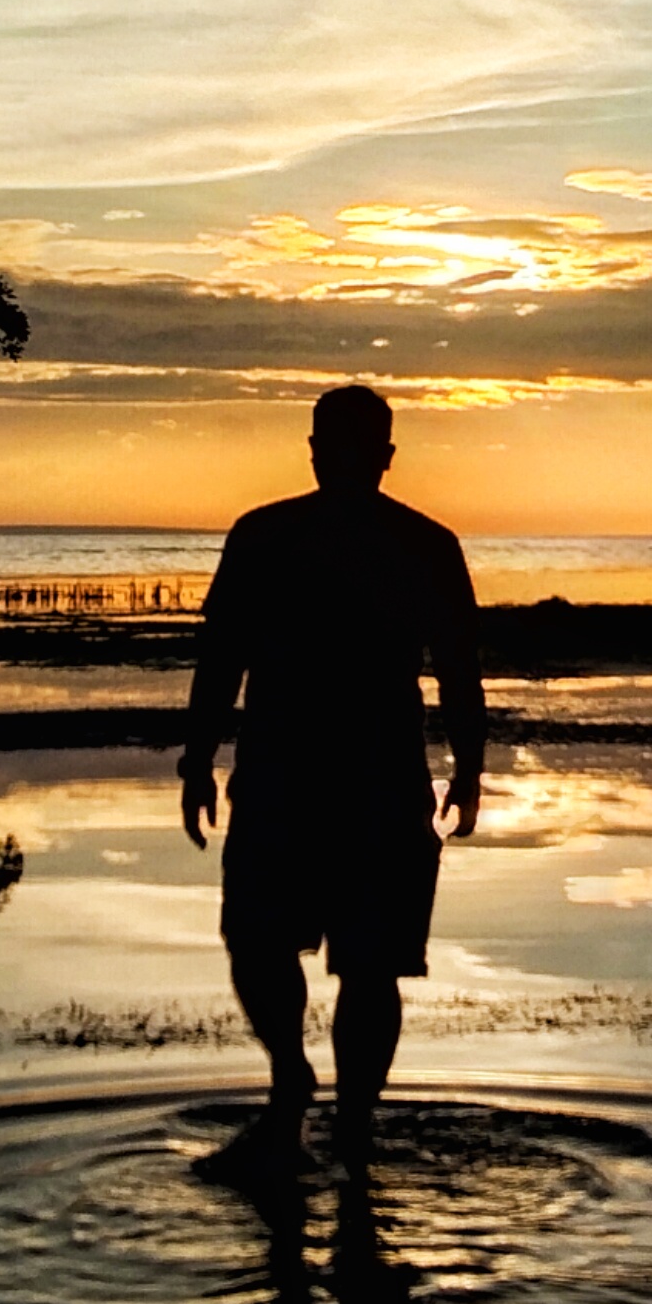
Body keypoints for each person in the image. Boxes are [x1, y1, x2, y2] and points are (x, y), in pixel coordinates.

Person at [182, 385, 485, 1173]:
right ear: (311, 449)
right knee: (258, 940)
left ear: (384, 456)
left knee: (371, 961)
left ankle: (351, 1121)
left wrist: (470, 769)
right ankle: (294, 1079)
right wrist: (196, 760)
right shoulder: (263, 536)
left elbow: (459, 670)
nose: (341, 460)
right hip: (283, 773)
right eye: (331, 446)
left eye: (355, 448)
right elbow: (221, 659)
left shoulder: (424, 544)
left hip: (379, 778)